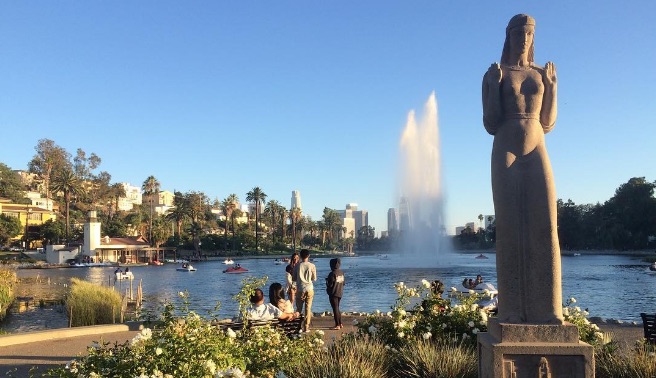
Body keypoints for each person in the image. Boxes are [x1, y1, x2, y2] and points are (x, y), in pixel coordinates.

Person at [482, 14, 563, 324]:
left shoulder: (544, 74)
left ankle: (550, 308)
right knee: (510, 227)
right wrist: (492, 87)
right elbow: (490, 122)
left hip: (536, 145)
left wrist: (553, 89)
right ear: (509, 36)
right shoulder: (496, 73)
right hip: (506, 148)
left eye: (529, 33)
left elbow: (548, 123)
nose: (524, 38)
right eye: (519, 32)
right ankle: (512, 308)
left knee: (547, 224)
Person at [293, 249, 316, 332]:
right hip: (309, 288)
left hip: (300, 288)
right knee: (308, 308)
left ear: (300, 256)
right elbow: (314, 278)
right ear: (308, 256)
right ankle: (306, 327)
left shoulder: (297, 266)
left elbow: (294, 278)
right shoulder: (312, 266)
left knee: (298, 308)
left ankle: (298, 326)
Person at [325, 258, 345, 330]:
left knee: (335, 309)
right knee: (337, 308)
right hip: (340, 292)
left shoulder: (332, 273)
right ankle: (340, 323)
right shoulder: (341, 273)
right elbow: (343, 283)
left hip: (333, 293)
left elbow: (330, 285)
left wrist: (327, 281)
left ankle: (337, 325)